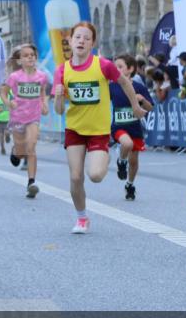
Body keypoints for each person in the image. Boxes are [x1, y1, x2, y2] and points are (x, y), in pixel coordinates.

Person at [54, 21, 146, 234]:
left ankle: (108, 155)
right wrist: (59, 96)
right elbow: (59, 110)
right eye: (78, 37)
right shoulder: (62, 70)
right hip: (74, 129)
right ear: (70, 40)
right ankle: (82, 217)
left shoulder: (103, 65)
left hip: (98, 130)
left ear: (92, 43)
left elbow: (124, 82)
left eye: (87, 38)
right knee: (76, 177)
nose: (81, 41)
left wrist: (135, 106)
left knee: (95, 175)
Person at [5, 44, 50, 198]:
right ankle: (15, 152)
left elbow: (42, 92)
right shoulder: (14, 77)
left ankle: (31, 182)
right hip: (18, 117)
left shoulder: (42, 76)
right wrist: (9, 102)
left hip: (33, 117)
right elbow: (4, 93)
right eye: (26, 55)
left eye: (32, 55)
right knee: (21, 152)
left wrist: (44, 104)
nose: (30, 57)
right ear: (19, 61)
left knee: (31, 147)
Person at [111, 54, 155, 201]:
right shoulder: (112, 86)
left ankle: (130, 184)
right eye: (114, 67)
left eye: (120, 67)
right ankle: (121, 161)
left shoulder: (139, 87)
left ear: (130, 69)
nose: (116, 70)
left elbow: (150, 108)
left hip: (135, 128)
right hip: (118, 126)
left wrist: (141, 100)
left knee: (134, 161)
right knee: (126, 144)